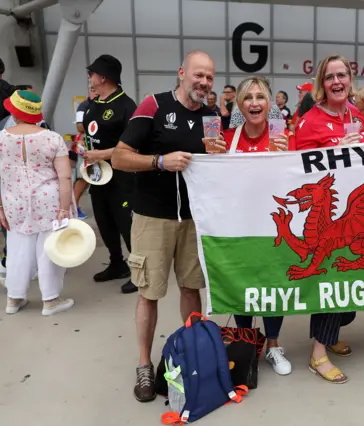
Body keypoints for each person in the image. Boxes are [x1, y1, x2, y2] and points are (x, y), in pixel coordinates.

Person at [111, 51, 223, 403]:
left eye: (209, 77)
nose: (204, 83)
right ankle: (144, 364)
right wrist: (160, 161)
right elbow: (119, 156)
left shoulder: (211, 115)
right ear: (182, 73)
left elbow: (215, 162)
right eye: (198, 75)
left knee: (192, 289)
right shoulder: (153, 105)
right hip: (152, 218)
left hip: (193, 219)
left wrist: (218, 159)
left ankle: (189, 352)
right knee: (149, 292)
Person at [293, 54, 364, 383]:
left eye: (342, 75)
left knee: (350, 288)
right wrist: (335, 150)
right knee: (331, 283)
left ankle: (332, 332)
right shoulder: (309, 121)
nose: (337, 82)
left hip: (352, 213)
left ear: (350, 79)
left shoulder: (356, 114)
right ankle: (318, 353)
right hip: (328, 218)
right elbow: (298, 169)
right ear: (321, 85)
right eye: (330, 77)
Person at [215, 77, 294, 375]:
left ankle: (273, 345)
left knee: (274, 285)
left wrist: (287, 157)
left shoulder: (283, 137)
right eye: (248, 98)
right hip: (238, 229)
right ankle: (246, 343)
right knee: (241, 285)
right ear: (239, 105)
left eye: (261, 97)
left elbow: (297, 183)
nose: (255, 103)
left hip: (274, 229)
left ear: (270, 103)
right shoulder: (225, 138)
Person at [0, 90, 75, 315]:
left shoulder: (1, 138)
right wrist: (65, 208)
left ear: (14, 112)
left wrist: (0, 207)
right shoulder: (52, 138)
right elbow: (65, 176)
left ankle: (14, 299)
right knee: (50, 249)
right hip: (49, 200)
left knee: (17, 249)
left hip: (13, 200)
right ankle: (50, 300)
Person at [83, 54, 138, 294]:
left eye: (92, 73)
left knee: (126, 224)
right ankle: (117, 263)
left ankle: (139, 272)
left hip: (121, 177)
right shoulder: (94, 103)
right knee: (104, 222)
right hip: (97, 176)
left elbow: (134, 145)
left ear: (103, 77)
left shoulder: (127, 106)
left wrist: (101, 154)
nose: (89, 78)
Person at [73, 87, 98, 220]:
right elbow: (79, 126)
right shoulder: (84, 106)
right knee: (83, 177)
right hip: (86, 145)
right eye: (94, 89)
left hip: (99, 147)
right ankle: (74, 207)